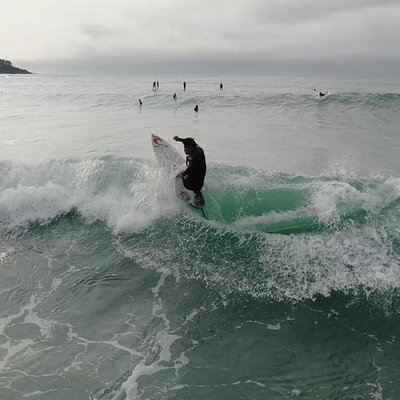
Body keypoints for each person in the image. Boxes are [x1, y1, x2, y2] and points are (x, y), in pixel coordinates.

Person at [173, 136, 206, 207]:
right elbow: (192, 142)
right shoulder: (199, 149)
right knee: (195, 181)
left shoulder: (194, 157)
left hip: (191, 185)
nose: (184, 150)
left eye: (185, 148)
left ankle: (184, 196)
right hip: (200, 183)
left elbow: (191, 168)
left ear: (190, 148)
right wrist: (180, 139)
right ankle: (198, 197)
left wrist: (182, 174)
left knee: (177, 176)